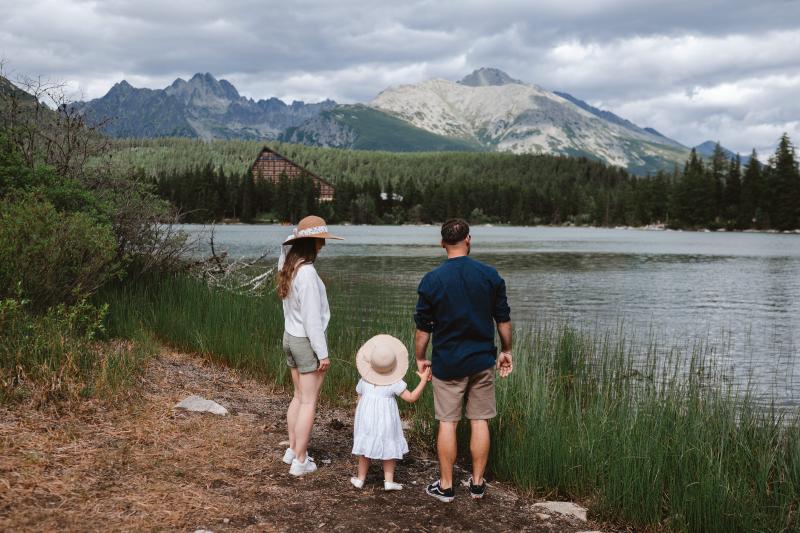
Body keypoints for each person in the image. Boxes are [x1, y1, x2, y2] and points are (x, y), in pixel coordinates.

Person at [414, 218, 513, 502]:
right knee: (480, 420)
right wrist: (507, 350)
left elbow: (424, 328)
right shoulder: (490, 275)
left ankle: (446, 486)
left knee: (448, 422)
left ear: (442, 243)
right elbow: (503, 319)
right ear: (468, 239)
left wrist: (421, 357)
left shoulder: (432, 280)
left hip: (447, 363)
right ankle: (478, 484)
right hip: (481, 361)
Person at [277, 215, 343, 476]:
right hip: (305, 341)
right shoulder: (307, 273)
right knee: (309, 402)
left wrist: (292, 239)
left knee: (298, 397)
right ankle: (301, 461)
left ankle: (293, 450)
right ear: (312, 242)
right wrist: (323, 354)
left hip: (290, 338)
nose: (323, 246)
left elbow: (282, 251)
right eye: (320, 241)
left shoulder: (289, 265)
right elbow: (312, 319)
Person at [350, 334, 431, 491]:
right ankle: (388, 481)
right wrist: (423, 380)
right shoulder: (394, 382)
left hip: (366, 420)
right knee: (389, 448)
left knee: (365, 450)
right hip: (386, 421)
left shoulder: (364, 379)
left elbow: (359, 399)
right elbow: (412, 398)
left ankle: (360, 479)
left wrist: (360, 418)